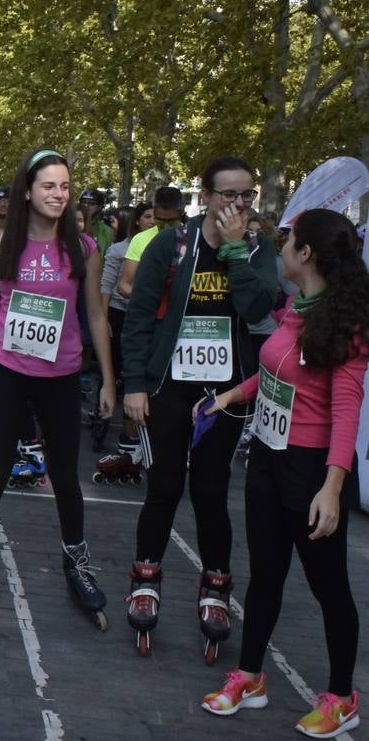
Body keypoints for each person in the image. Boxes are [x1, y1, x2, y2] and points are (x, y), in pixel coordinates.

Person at [198, 208, 366, 737]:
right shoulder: (296, 306)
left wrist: (333, 487)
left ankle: (342, 697)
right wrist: (230, 393)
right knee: (265, 576)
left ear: (307, 253)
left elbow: (346, 410)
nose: (282, 246)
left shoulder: (346, 325)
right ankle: (249, 677)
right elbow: (275, 372)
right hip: (267, 458)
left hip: (310, 470)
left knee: (329, 587)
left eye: (288, 240)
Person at [121, 157, 278, 656]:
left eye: (246, 196)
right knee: (164, 485)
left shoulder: (255, 247)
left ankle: (215, 585)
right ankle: (146, 577)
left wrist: (234, 250)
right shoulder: (171, 244)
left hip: (225, 391)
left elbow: (259, 308)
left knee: (211, 490)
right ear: (205, 196)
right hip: (170, 385)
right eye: (227, 195)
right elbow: (140, 315)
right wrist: (135, 384)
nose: (237, 204)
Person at [0, 148, 115, 628]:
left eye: (65, 186)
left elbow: (96, 315)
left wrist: (108, 378)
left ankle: (77, 563)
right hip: (6, 371)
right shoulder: (0, 243)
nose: (58, 195)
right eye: (49, 186)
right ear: (28, 190)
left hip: (61, 377)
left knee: (67, 478)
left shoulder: (83, 247)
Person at [93, 203, 144, 480]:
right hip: (118, 315)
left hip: (146, 320)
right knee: (112, 371)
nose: (152, 222)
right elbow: (107, 286)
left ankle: (131, 444)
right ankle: (102, 419)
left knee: (135, 379)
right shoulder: (118, 250)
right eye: (147, 217)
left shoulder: (164, 246)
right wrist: (103, 319)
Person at [116, 186, 185, 300]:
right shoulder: (140, 239)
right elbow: (124, 285)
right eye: (161, 220)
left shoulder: (193, 237)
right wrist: (150, 300)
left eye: (172, 221)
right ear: (154, 212)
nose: (166, 226)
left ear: (182, 214)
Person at [80, 188, 114, 257]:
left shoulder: (107, 231)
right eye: (83, 202)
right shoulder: (69, 225)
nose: (86, 206)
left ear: (99, 207)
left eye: (91, 203)